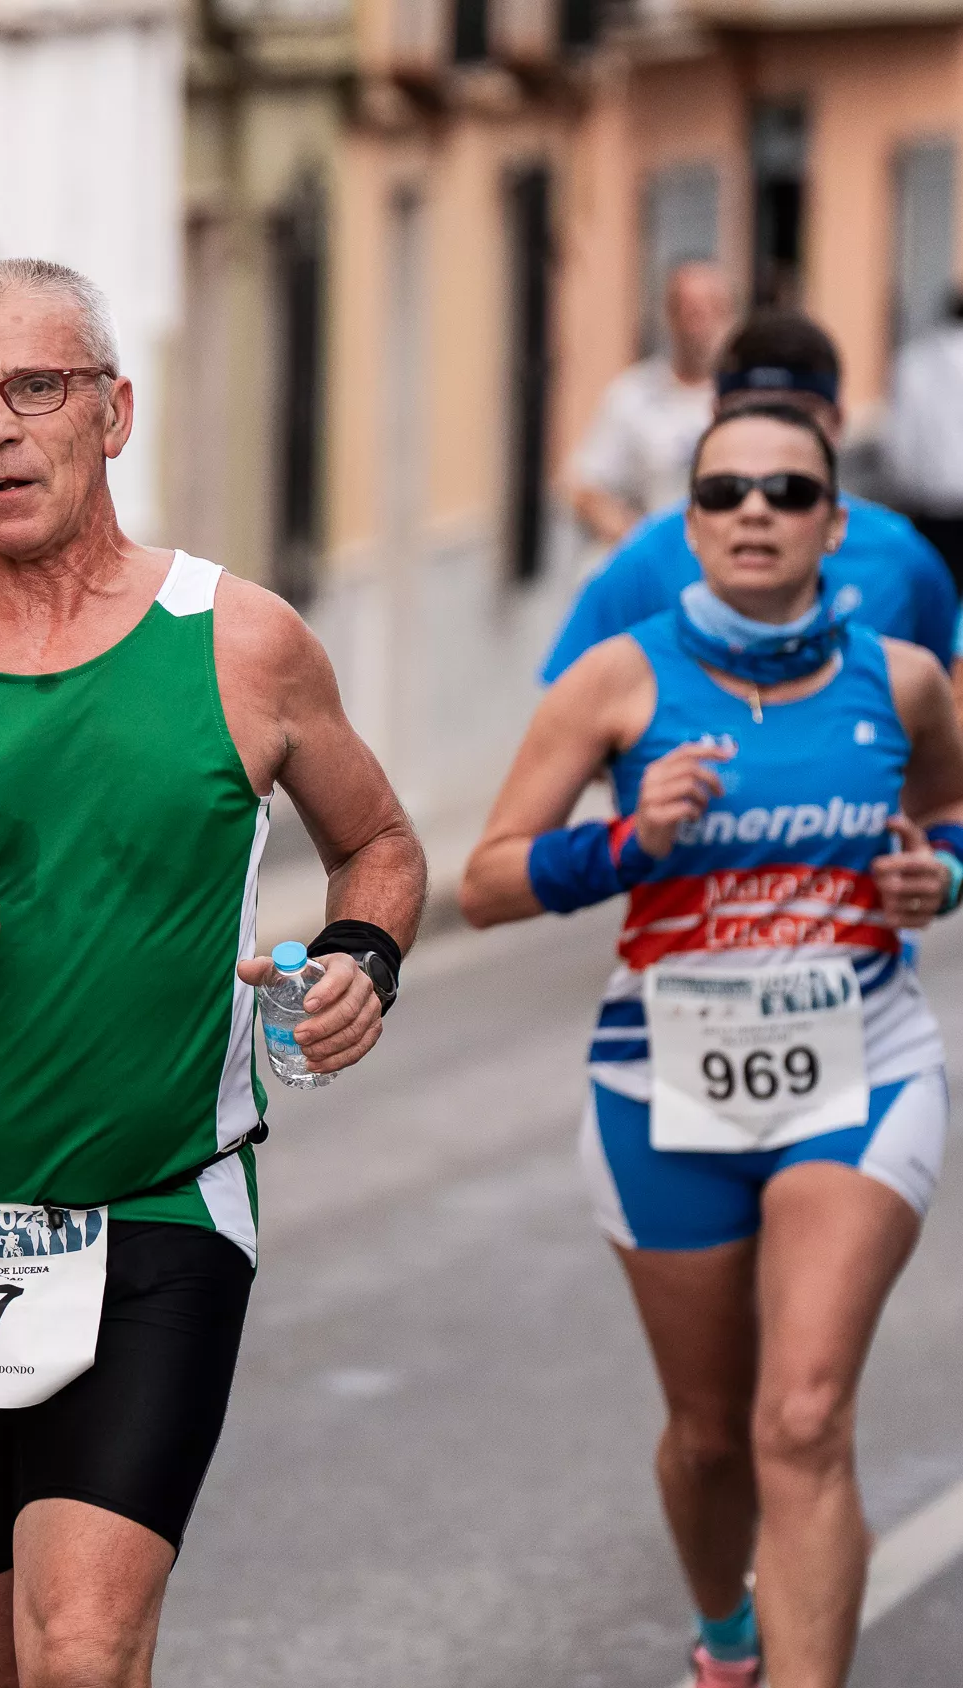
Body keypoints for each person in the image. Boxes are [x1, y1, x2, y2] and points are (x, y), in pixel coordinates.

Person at [0, 257, 424, 1686]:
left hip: (160, 1210)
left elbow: (385, 846)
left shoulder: (241, 646)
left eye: (33, 389)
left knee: (85, 1645)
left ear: (112, 410)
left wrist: (360, 955)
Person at [463, 400, 963, 1688]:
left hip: (861, 1067)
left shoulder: (902, 678)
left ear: (833, 523)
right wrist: (632, 843)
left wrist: (941, 876)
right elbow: (489, 880)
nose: (756, 510)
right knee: (709, 1435)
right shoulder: (619, 679)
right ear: (688, 522)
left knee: (801, 1415)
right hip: (661, 1087)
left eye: (788, 492)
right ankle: (728, 1638)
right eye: (728, 490)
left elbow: (950, 810)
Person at [543, 311, 961, 682]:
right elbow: (567, 721)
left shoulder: (901, 558)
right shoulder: (649, 556)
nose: (770, 436)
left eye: (796, 414)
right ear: (714, 418)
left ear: (836, 424)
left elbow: (942, 707)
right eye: (750, 412)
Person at [569, 261, 735, 550]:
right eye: (690, 310)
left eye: (713, 308)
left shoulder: (751, 397)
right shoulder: (632, 395)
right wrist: (640, 543)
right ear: (669, 315)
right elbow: (587, 489)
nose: (700, 323)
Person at [883, 284, 963, 582]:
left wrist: (904, 491)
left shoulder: (915, 361)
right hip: (937, 503)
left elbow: (900, 441)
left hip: (932, 507)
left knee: (939, 586)